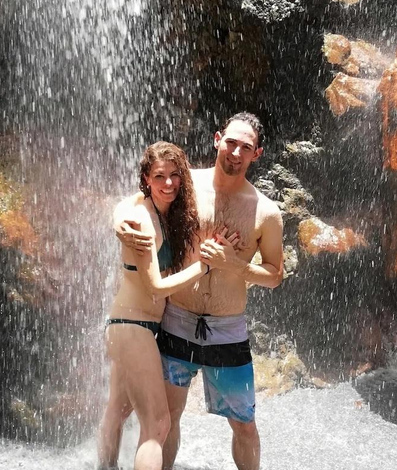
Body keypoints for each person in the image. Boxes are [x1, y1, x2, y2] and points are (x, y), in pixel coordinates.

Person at [117, 112, 284, 470]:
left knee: (244, 426)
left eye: (246, 147)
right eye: (231, 142)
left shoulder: (266, 212)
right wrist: (119, 223)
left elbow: (274, 275)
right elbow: (138, 199)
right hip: (177, 319)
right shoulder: (187, 186)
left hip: (227, 330)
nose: (236, 152)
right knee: (165, 420)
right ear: (217, 139)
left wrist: (233, 264)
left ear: (258, 154)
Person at [98, 141, 239, 470]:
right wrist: (204, 266)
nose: (168, 183)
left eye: (175, 175)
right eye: (159, 176)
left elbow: (126, 203)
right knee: (158, 425)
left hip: (133, 327)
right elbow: (155, 286)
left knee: (117, 411)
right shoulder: (142, 221)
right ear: (146, 178)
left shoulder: (155, 212)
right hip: (133, 327)